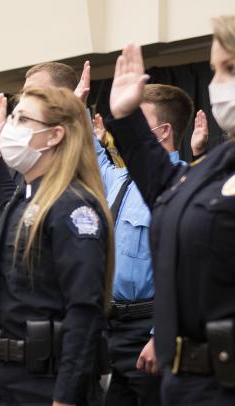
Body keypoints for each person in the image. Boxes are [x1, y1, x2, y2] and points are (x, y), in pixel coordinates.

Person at [104, 16, 235, 403]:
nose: (218, 83)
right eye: (214, 70)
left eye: (230, 68)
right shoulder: (219, 162)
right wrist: (126, 119)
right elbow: (165, 192)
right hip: (189, 383)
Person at [0, 87, 113, 405]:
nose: (11, 126)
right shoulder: (21, 201)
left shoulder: (74, 207)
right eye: (13, 116)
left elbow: (84, 312)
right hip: (3, 379)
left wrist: (64, 398)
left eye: (23, 119)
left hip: (45, 385)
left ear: (54, 136)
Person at [92, 81, 193, 406]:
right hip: (113, 331)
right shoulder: (120, 178)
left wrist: (159, 335)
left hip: (148, 330)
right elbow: (88, 154)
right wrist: (74, 105)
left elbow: (184, 271)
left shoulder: (181, 185)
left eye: (135, 121)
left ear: (162, 131)